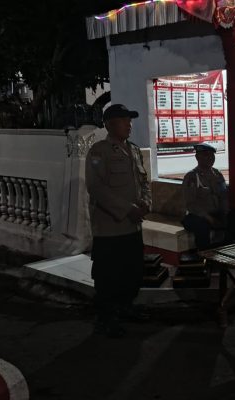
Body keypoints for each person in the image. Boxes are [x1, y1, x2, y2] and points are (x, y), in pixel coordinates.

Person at [85, 104, 153, 338]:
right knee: (108, 276)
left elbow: (143, 182)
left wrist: (146, 203)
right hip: (110, 228)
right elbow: (96, 188)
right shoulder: (99, 151)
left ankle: (125, 307)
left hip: (132, 226)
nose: (129, 125)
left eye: (129, 120)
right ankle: (106, 319)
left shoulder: (133, 150)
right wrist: (127, 209)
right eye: (124, 121)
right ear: (109, 125)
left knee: (132, 272)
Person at [181, 143, 229, 250]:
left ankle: (227, 252)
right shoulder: (192, 177)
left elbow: (224, 197)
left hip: (216, 213)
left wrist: (226, 213)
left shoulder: (217, 174)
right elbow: (191, 205)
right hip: (197, 216)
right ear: (197, 157)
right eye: (206, 155)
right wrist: (209, 218)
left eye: (212, 155)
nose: (210, 158)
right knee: (202, 225)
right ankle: (204, 253)